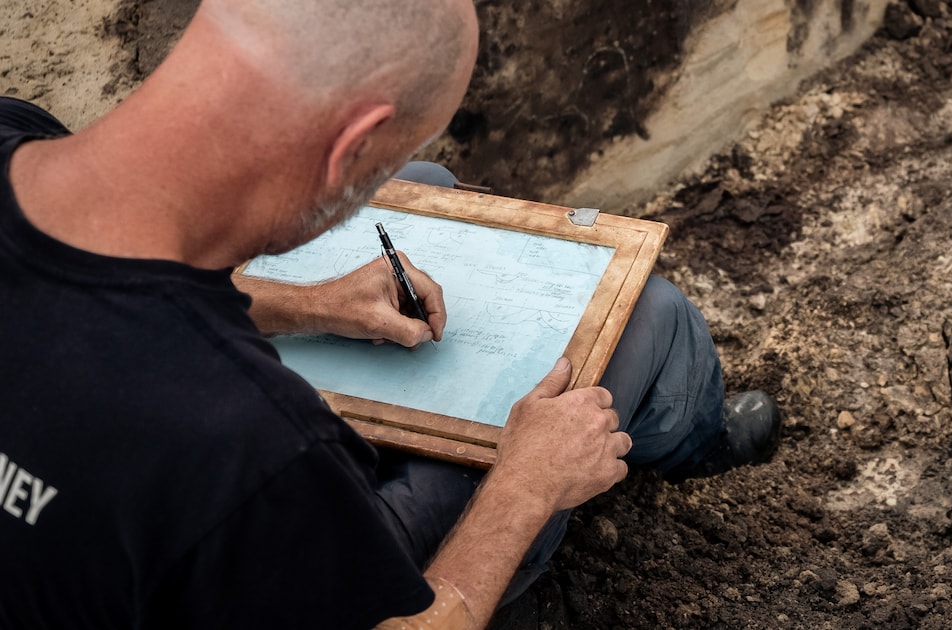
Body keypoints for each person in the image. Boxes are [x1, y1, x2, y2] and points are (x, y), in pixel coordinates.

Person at [0, 1, 780, 629]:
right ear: (350, 145)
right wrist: (523, 489)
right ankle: (686, 442)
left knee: (429, 180)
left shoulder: (13, 129)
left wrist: (308, 306)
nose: (380, 186)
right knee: (643, 318)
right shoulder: (254, 449)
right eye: (377, 168)